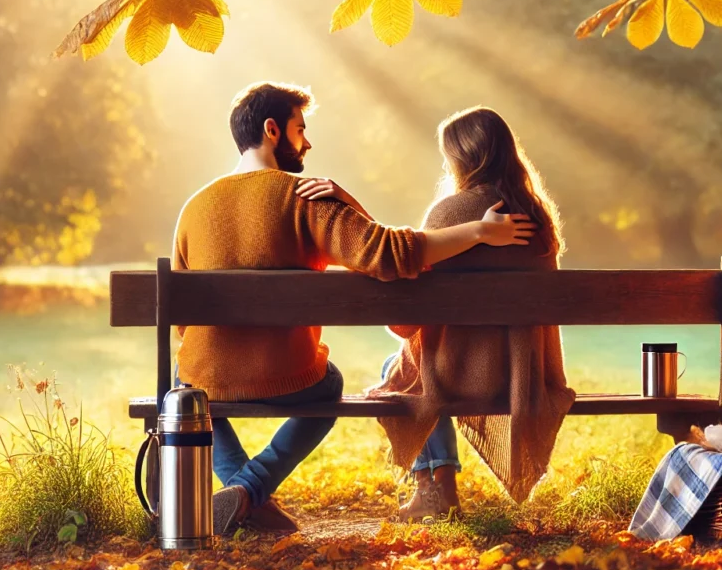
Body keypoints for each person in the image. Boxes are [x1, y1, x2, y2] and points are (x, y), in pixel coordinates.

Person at [172, 83, 536, 534]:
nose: (307, 143)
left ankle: (244, 493)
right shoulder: (305, 198)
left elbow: (181, 322)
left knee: (185, 385)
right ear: (272, 130)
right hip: (288, 380)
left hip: (207, 380)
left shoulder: (192, 210)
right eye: (300, 130)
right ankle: (249, 491)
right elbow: (387, 253)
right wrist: (479, 231)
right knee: (330, 387)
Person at [368, 106, 574, 520]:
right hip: (521, 376)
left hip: (459, 374)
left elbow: (409, 315)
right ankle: (436, 486)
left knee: (402, 371)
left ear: (462, 158)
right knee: (412, 371)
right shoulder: (537, 219)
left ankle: (436, 486)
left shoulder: (448, 215)